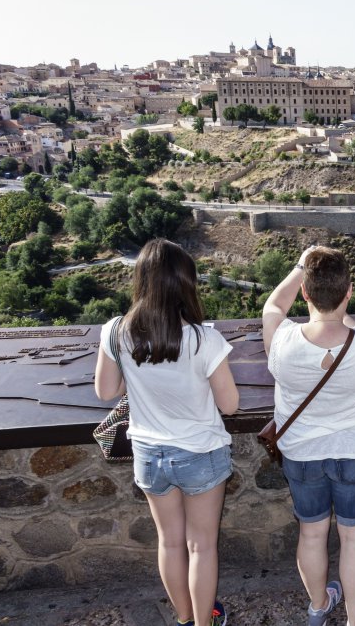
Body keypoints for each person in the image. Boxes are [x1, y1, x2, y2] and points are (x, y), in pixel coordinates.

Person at [95, 239, 239, 626]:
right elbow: (230, 406)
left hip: (149, 454)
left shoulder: (116, 332)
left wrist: (142, 378)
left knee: (170, 542)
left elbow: (106, 391)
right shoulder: (203, 338)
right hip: (200, 454)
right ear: (184, 284)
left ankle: (185, 618)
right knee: (201, 545)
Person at [262, 245, 355, 626]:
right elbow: (344, 327)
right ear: (349, 292)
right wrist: (338, 304)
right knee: (354, 539)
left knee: (312, 535)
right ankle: (354, 620)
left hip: (301, 454)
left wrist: (302, 264)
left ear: (304, 292)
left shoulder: (281, 341)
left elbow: (272, 307)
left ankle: (318, 606)